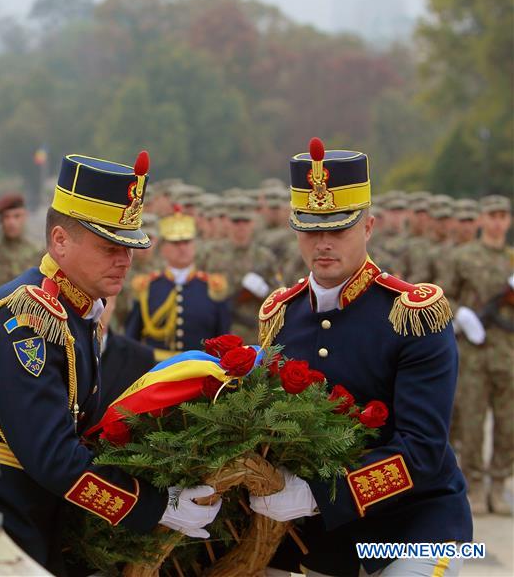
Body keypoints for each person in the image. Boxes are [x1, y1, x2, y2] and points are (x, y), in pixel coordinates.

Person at [0, 152, 221, 574]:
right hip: (0, 523)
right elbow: (52, 456)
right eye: (109, 246)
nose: (124, 259)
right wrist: (156, 504)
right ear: (60, 241)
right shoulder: (27, 317)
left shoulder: (76, 311)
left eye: (129, 247)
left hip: (35, 515)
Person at [253, 138, 471, 577]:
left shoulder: (413, 314)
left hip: (413, 523)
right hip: (320, 532)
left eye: (339, 229)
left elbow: (422, 451)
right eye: (311, 230)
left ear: (369, 227)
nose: (323, 244)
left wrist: (317, 493)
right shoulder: (282, 314)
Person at [441, 195, 512, 515]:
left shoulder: (512, 259)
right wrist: (463, 315)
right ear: (481, 220)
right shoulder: (462, 257)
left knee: (508, 423)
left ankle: (499, 484)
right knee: (472, 420)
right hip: (473, 353)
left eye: (503, 216)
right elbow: (442, 296)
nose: (497, 222)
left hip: (508, 352)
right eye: (492, 215)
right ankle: (475, 484)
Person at [124, 207, 231, 360]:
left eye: (186, 242)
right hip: (158, 371)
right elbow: (132, 338)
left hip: (201, 371)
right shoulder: (147, 287)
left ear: (194, 245)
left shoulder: (212, 287)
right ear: (163, 248)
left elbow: (223, 338)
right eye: (175, 243)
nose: (182, 248)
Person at [202, 196, 277, 343]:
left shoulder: (264, 257)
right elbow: (198, 290)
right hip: (220, 333)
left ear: (253, 224)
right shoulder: (211, 254)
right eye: (236, 222)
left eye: (246, 221)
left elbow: (279, 296)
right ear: (227, 224)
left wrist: (265, 292)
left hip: (256, 334)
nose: (241, 226)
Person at [98, 295, 157, 411]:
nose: (95, 307)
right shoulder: (58, 351)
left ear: (113, 301)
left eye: (101, 299)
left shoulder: (141, 359)